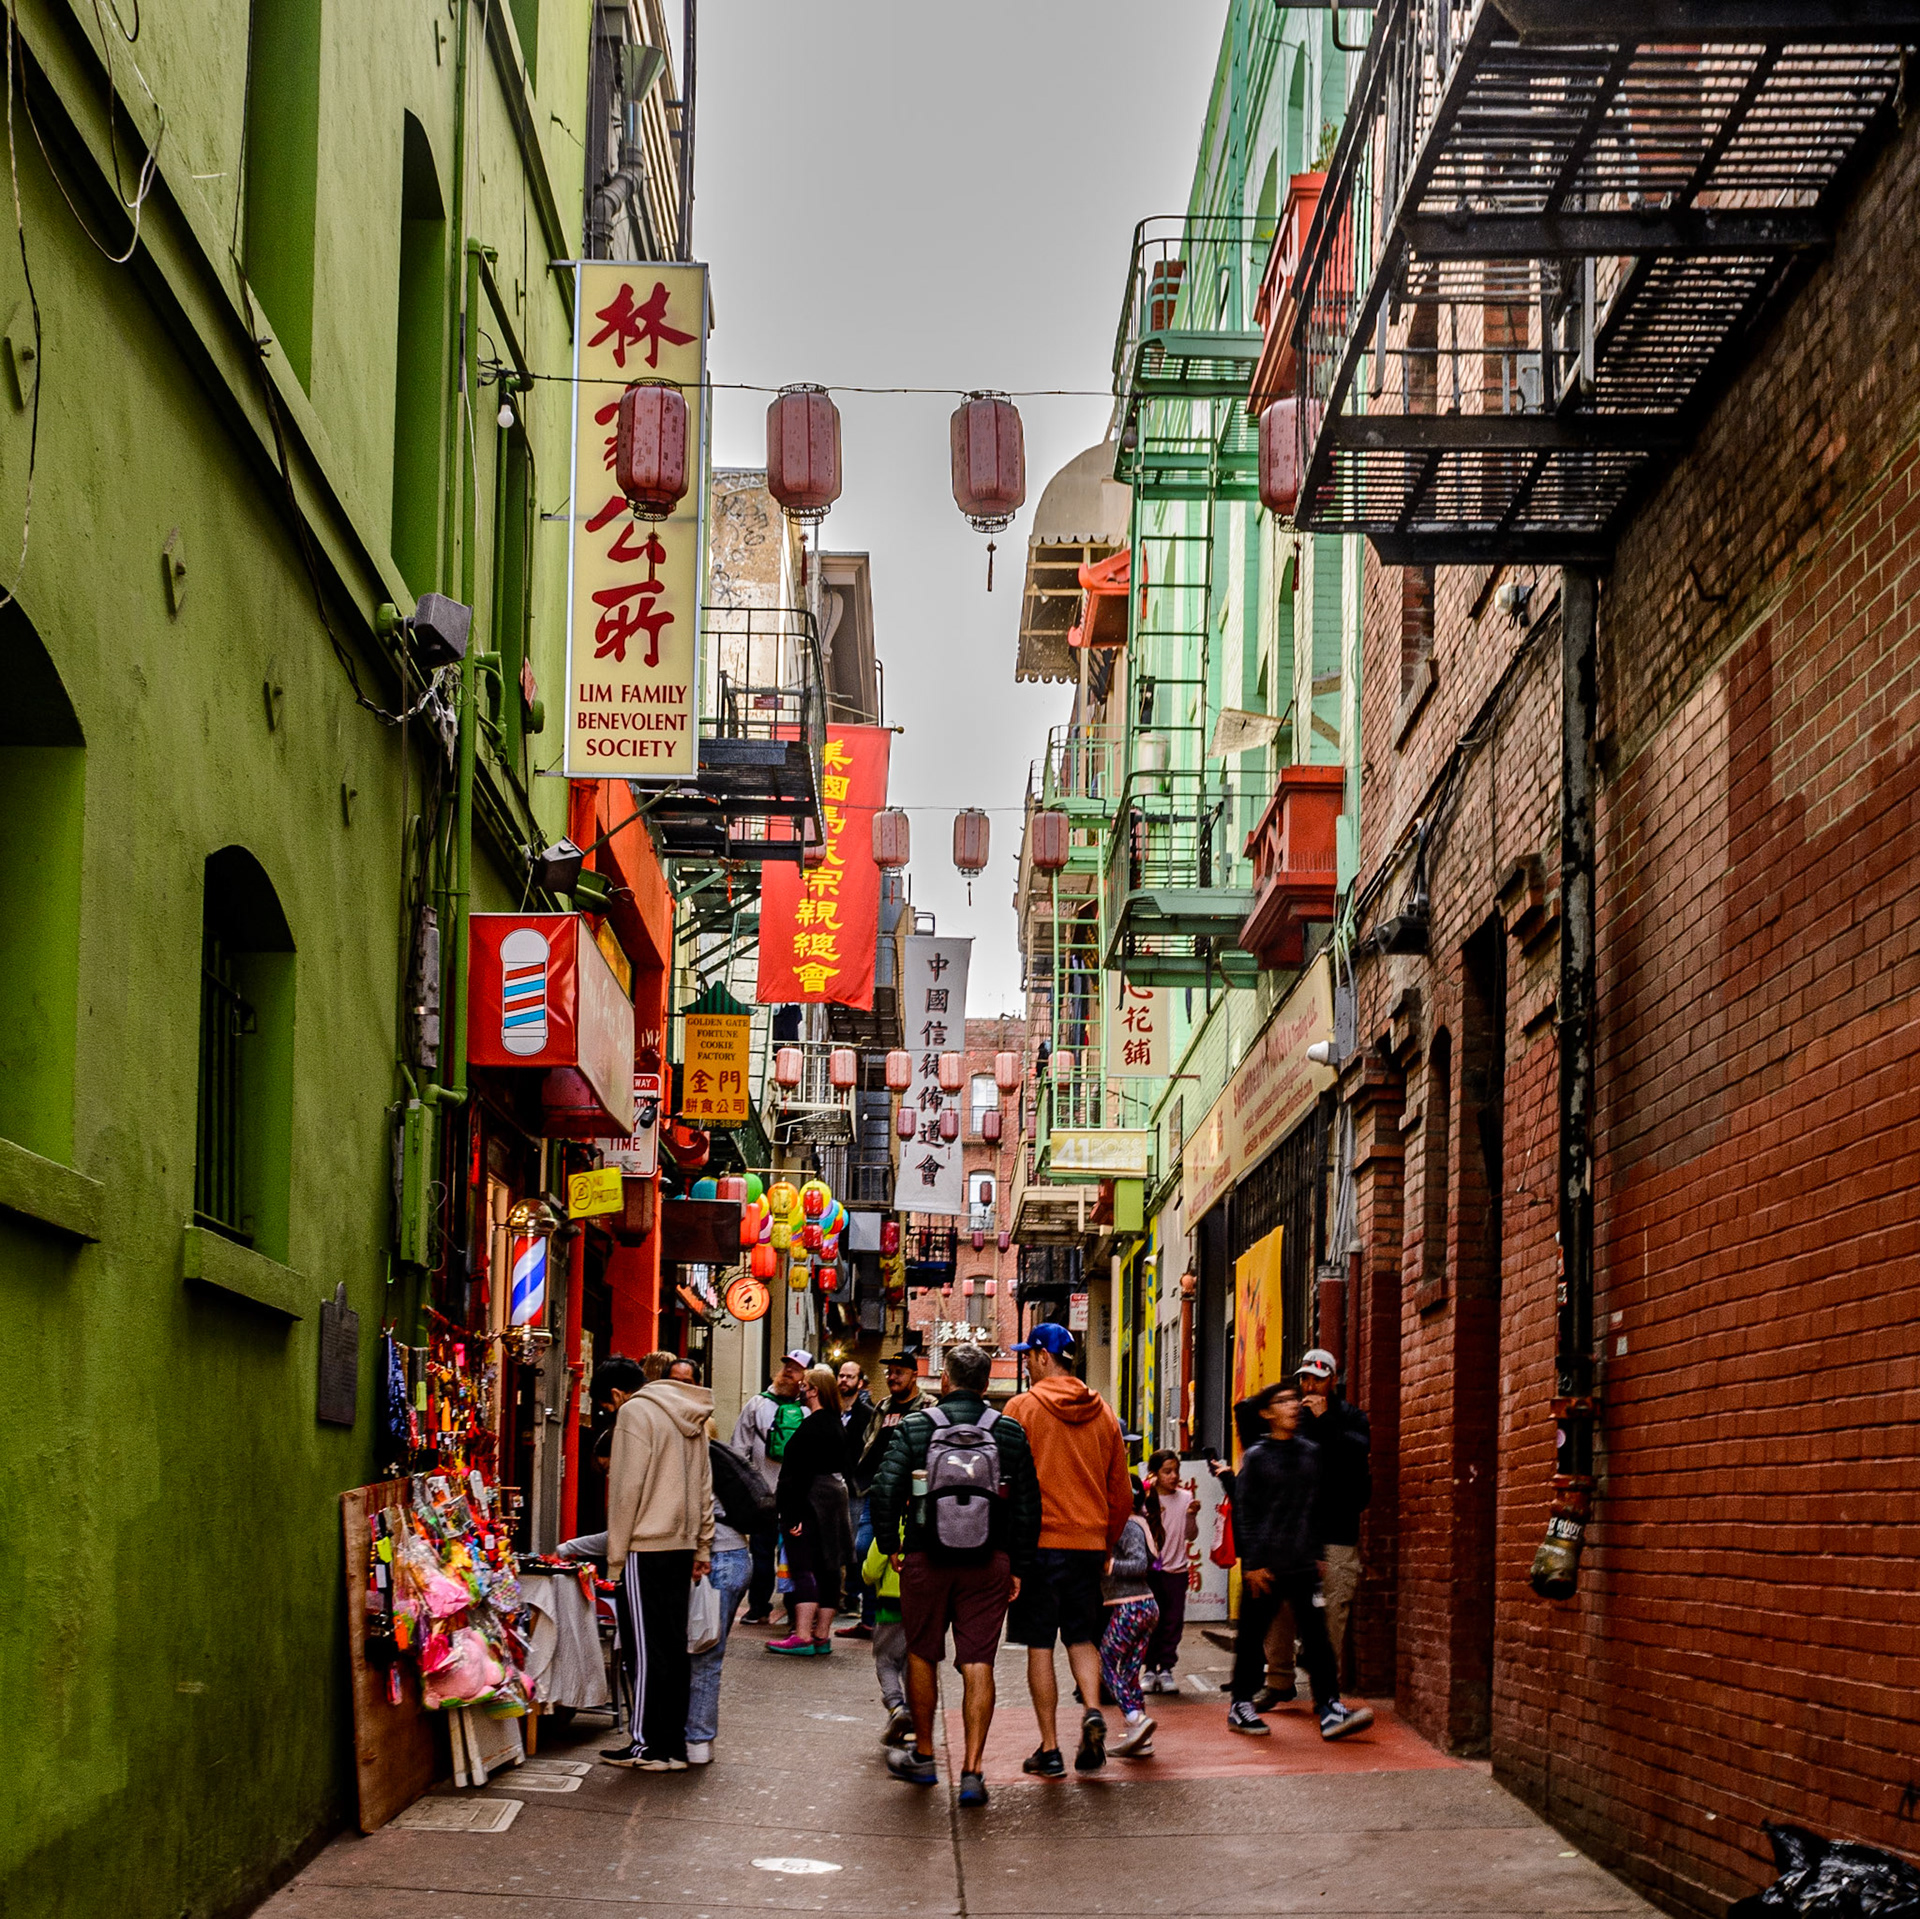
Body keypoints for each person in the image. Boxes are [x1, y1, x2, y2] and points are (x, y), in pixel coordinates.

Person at [869, 1342, 1040, 1809]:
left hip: (926, 1557)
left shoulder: (916, 1426)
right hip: (989, 1562)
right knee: (978, 1661)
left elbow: (884, 1490)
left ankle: (924, 1757)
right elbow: (1028, 1504)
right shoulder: (1008, 1431)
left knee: (922, 1655)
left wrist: (891, 1546)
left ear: (944, 1381)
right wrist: (1019, 1565)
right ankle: (972, 1772)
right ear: (986, 1384)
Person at [1003, 1322, 1133, 1778]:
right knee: (1081, 1637)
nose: (1025, 1364)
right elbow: (1123, 1494)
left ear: (1043, 1356)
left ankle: (1051, 1748)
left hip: (1039, 1546)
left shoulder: (1021, 1409)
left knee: (1040, 1645)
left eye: (1027, 1356)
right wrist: (1106, 1542)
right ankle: (1093, 1710)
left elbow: (1008, 1484)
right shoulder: (1104, 1414)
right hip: (1087, 1545)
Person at [1215, 1383, 1372, 1742]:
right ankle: (1240, 1704)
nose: (1292, 1406)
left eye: (1292, 1400)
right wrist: (1252, 1563)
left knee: (1318, 1641)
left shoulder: (1310, 1452)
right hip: (1265, 1567)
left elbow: (1314, 1507)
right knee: (1253, 1638)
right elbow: (1246, 1512)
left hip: (1302, 1562)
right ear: (1267, 1413)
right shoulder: (1256, 1456)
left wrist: (1317, 1554)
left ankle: (1330, 1707)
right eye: (1282, 1401)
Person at [599, 1368, 715, 1771]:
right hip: (681, 1545)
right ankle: (672, 1746)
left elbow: (625, 1489)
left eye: (606, 1404)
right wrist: (702, 1543)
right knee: (671, 1646)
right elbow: (704, 1484)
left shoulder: (635, 1412)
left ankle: (647, 1745)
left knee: (643, 1649)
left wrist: (615, 1555)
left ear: (616, 1393)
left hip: (644, 1545)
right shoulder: (692, 1417)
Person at [684, 1422, 773, 1765]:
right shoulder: (720, 1457)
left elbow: (700, 1514)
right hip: (736, 1557)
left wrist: (701, 1552)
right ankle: (696, 1736)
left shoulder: (697, 1461)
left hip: (716, 1561)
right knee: (707, 1649)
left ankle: (698, 1740)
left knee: (704, 1652)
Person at [767, 1365, 856, 1654]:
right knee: (829, 1566)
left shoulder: (813, 1426)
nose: (800, 1390)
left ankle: (803, 1634)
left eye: (804, 1385)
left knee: (803, 1565)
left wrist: (790, 1513)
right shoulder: (836, 1424)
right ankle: (821, 1634)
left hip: (808, 1503)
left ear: (814, 1390)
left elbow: (798, 1473)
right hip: (833, 1502)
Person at [847, 1352, 936, 1637]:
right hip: (878, 1493)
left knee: (905, 1556)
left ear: (914, 1375)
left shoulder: (929, 1406)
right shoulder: (882, 1407)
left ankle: (900, 1618)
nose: (892, 1377)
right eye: (890, 1372)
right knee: (864, 1550)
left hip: (912, 1496)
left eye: (899, 1372)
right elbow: (868, 1444)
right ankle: (870, 1618)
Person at [1297, 1349, 1370, 1691]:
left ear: (1333, 1381)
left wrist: (1325, 1421)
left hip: (1337, 1534)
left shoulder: (1351, 1418)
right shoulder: (1293, 1418)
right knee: (1280, 1609)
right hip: (1297, 1533)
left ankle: (1325, 1690)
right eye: (1305, 1378)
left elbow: (1356, 1456)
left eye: (1317, 1378)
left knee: (1332, 1616)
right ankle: (1278, 1679)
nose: (1309, 1385)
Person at [730, 1347, 811, 1623]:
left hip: (792, 1496)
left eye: (796, 1367)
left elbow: (738, 1448)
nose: (788, 1371)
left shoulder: (808, 1409)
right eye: (786, 1365)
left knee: (787, 1553)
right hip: (764, 1493)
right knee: (764, 1552)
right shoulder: (759, 1403)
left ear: (806, 1376)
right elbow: (739, 1449)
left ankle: (777, 1605)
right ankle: (761, 1604)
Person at [556, 1356, 646, 1564]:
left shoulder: (635, 1429)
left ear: (616, 1395)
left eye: (607, 1407)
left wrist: (567, 1547)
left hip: (646, 1554)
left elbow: (621, 1533)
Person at [1099, 1484, 1160, 1757]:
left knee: (1106, 1662)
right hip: (1142, 1607)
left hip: (1132, 1607)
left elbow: (1139, 1564)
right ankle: (1141, 1740)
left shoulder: (1127, 1525)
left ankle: (1135, 1718)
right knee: (1129, 1673)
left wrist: (1109, 1566)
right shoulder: (1136, 1524)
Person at [1140, 1449, 1200, 1693]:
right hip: (1151, 1571)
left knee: (1172, 1621)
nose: (1174, 1476)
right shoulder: (1146, 1499)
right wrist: (1147, 1490)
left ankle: (1166, 1669)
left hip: (1177, 1571)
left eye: (1176, 1471)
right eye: (1167, 1471)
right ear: (1154, 1474)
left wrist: (1191, 1516)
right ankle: (1149, 1669)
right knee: (1149, 1621)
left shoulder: (1186, 1497)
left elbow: (1191, 1535)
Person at [834, 1360, 877, 1637]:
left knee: (855, 1545)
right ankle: (839, 1594)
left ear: (860, 1382)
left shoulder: (869, 1415)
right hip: (830, 1486)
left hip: (856, 1489)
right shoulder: (828, 1412)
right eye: (841, 1375)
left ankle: (853, 1595)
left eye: (850, 1376)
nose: (844, 1380)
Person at [860, 1535, 913, 1748]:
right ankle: (913, 1719)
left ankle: (896, 1705)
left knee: (886, 1661)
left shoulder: (891, 1527)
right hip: (923, 1603)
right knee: (915, 1664)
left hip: (890, 1602)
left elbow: (870, 1572)